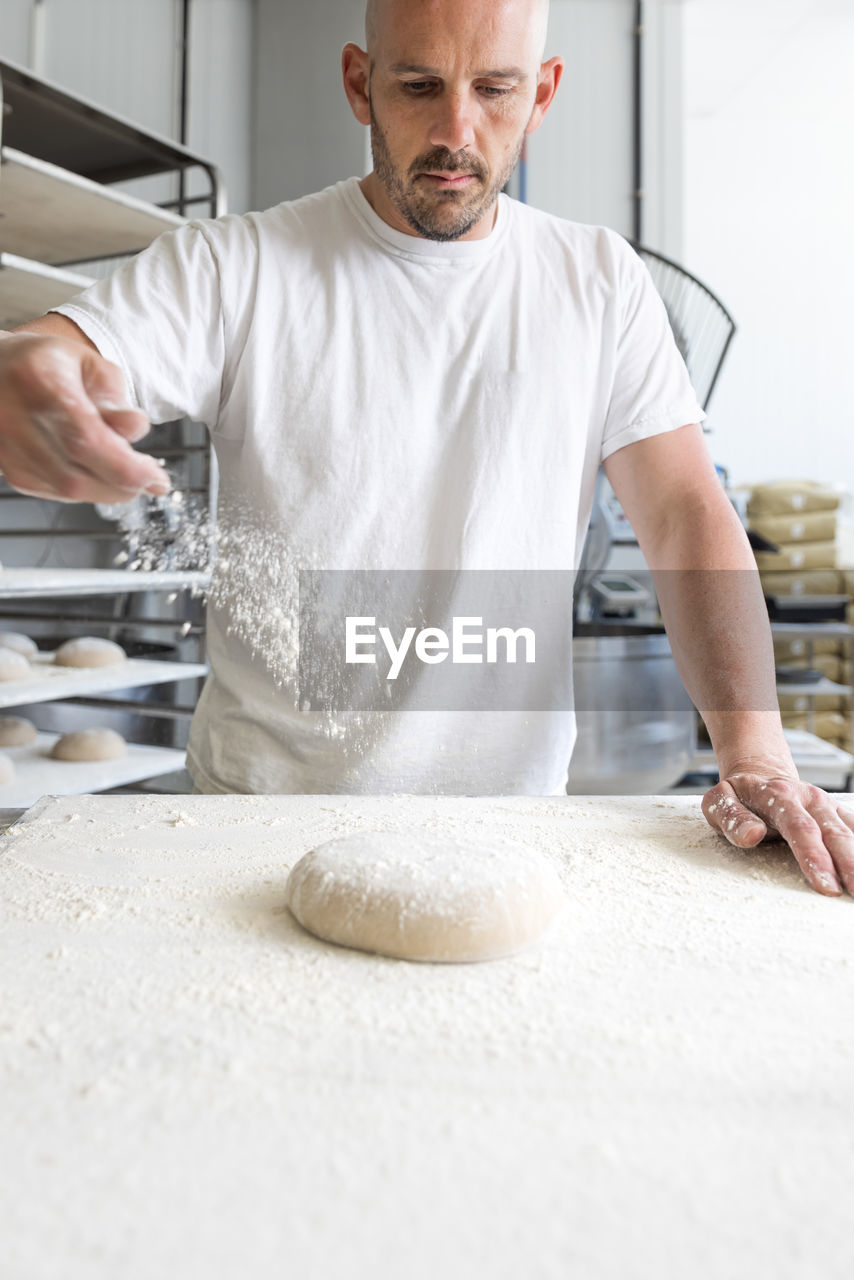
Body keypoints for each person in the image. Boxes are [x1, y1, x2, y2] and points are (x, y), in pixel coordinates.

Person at [0, 0, 852, 897]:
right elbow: (73, 347)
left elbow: (683, 512)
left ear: (544, 94)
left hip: (511, 826)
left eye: (495, 89)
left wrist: (754, 751)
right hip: (251, 830)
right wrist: (28, 363)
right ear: (359, 83)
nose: (456, 132)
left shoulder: (600, 284)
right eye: (419, 85)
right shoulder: (238, 268)